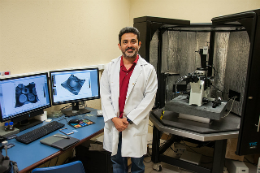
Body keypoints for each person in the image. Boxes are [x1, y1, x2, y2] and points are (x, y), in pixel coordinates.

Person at [100, 26, 158, 173]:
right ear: (120, 45)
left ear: (139, 44)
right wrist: (114, 119)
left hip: (133, 125)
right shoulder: (110, 68)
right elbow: (105, 96)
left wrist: (128, 120)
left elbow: (149, 100)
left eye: (133, 41)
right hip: (115, 125)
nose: (129, 45)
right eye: (125, 42)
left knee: (138, 165)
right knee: (117, 162)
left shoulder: (148, 70)